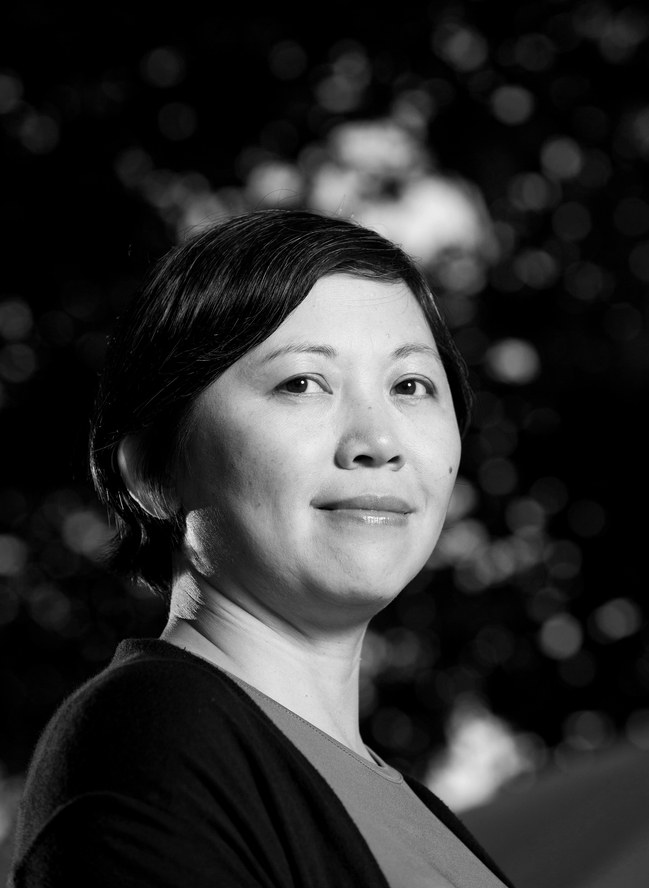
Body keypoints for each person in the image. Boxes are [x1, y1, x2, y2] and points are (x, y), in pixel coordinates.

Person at [10, 209, 514, 887]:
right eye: (300, 383)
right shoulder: (152, 738)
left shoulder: (423, 817)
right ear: (155, 472)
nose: (377, 441)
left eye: (409, 386)